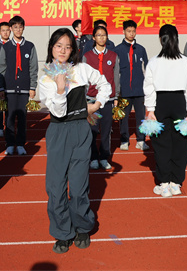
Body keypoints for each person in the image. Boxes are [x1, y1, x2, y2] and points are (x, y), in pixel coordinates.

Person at [38, 28, 111, 254]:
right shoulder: (46, 78)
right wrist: (60, 89)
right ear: (51, 48)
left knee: (79, 187)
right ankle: (62, 232)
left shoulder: (81, 69)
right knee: (56, 187)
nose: (63, 50)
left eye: (68, 47)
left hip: (81, 130)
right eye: (58, 46)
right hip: (58, 131)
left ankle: (82, 227)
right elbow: (58, 112)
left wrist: (97, 104)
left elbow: (105, 84)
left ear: (73, 50)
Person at [143, 24, 187, 197]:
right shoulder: (186, 62)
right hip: (180, 102)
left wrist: (150, 109)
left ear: (161, 39)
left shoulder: (154, 62)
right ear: (176, 39)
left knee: (161, 144)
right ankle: (176, 183)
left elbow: (149, 88)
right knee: (181, 144)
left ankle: (164, 183)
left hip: (161, 103)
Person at [0, 15, 38, 156]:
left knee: (22, 118)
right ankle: (9, 144)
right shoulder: (6, 47)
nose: (18, 30)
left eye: (20, 27)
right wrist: (1, 87)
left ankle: (20, 144)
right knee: (9, 117)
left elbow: (33, 68)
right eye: (15, 27)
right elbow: (1, 68)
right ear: (11, 29)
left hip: (24, 88)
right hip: (9, 88)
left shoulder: (30, 46)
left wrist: (32, 87)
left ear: (24, 28)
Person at [82, 25, 119, 170]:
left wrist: (116, 96)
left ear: (107, 37)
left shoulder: (113, 56)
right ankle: (93, 157)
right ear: (93, 38)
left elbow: (116, 77)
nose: (101, 38)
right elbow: (83, 78)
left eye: (104, 35)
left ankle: (104, 157)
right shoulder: (87, 56)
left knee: (106, 130)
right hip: (91, 99)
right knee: (92, 130)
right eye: (98, 35)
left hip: (107, 100)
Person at [113, 19, 149, 152]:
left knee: (141, 117)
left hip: (139, 90)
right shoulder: (117, 50)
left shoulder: (141, 49)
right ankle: (124, 140)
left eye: (133, 31)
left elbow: (147, 69)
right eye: (129, 31)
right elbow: (115, 72)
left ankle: (141, 140)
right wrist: (117, 90)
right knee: (123, 117)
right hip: (124, 90)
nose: (131, 33)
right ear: (123, 32)